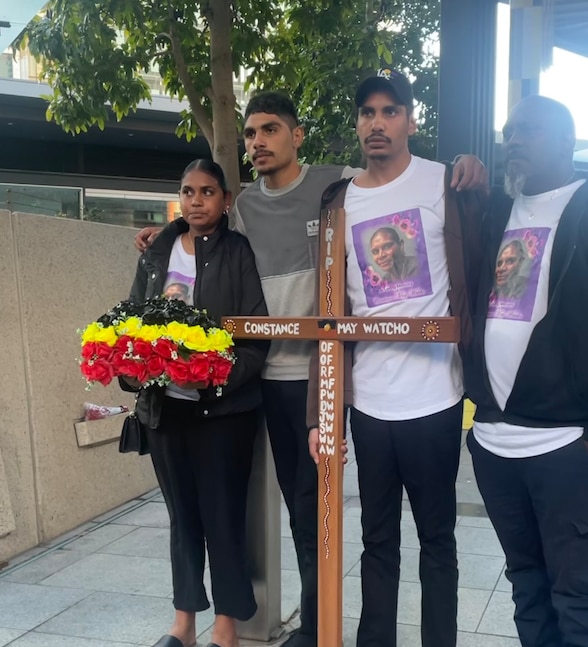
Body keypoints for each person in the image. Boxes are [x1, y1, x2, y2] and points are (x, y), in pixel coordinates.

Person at [135, 90, 487, 647]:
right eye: (250, 134)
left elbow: (396, 173)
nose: (258, 143)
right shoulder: (244, 204)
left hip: (335, 373)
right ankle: (308, 619)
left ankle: (325, 621)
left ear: (296, 135)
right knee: (302, 508)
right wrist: (169, 233)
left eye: (270, 130)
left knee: (335, 504)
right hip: (270, 377)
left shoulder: (336, 186)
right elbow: (207, 229)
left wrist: (467, 163)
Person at [463, 95, 588, 647]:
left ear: (568, 141)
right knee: (528, 586)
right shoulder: (498, 212)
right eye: (508, 131)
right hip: (496, 444)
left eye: (530, 130)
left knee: (581, 592)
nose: (514, 140)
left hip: (568, 445)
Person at [306, 68, 486, 647]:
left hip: (437, 398)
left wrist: (480, 174)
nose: (376, 123)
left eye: (389, 111)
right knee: (375, 540)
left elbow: (486, 264)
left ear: (410, 120)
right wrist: (321, 412)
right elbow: (325, 314)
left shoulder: (445, 184)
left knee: (438, 540)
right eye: (366, 113)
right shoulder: (340, 203)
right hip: (370, 402)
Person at [125, 159, 269, 647]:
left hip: (223, 413)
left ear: (225, 199)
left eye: (207, 192)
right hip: (166, 410)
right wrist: (128, 367)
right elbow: (132, 322)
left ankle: (226, 629)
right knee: (182, 516)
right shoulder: (157, 250)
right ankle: (183, 625)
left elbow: (255, 337)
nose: (196, 201)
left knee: (222, 517)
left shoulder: (238, 252)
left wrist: (217, 372)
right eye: (188, 192)